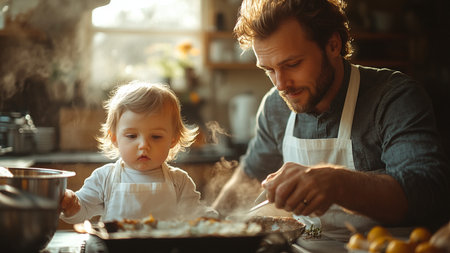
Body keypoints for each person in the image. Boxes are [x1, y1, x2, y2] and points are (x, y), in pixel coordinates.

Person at [212, 0, 450, 236]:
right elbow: (250, 177)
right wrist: (207, 222)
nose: (281, 84)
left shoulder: (392, 97)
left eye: (292, 64)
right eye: (269, 70)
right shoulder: (275, 106)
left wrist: (337, 183)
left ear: (333, 45)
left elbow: (427, 194)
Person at [61, 81, 216, 223]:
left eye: (156, 137)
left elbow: (195, 215)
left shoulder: (180, 181)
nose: (143, 145)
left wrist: (214, 216)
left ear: (173, 139)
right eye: (132, 136)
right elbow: (82, 210)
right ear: (114, 138)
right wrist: (71, 205)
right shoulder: (104, 178)